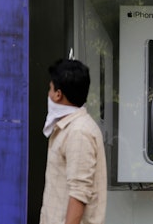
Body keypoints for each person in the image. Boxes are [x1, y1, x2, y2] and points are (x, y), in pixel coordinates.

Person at [39, 59, 107, 224]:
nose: (48, 94)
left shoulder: (78, 132)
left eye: (50, 88)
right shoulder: (69, 128)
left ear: (58, 94)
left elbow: (79, 193)